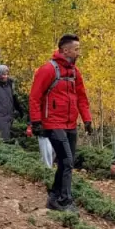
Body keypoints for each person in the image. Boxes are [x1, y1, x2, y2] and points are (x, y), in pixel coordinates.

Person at [29, 34, 92, 212]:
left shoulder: (74, 72)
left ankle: (55, 195)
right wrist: (36, 121)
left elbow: (81, 97)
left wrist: (86, 119)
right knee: (67, 160)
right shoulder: (48, 70)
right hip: (52, 123)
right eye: (76, 49)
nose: (79, 53)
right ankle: (64, 200)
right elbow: (35, 97)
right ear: (66, 50)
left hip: (70, 123)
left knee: (67, 162)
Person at [0, 65, 25, 141]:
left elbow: (14, 98)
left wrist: (20, 110)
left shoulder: (9, 84)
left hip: (9, 116)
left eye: (6, 74)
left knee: (7, 138)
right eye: (3, 74)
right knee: (1, 138)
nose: (5, 76)